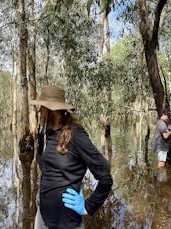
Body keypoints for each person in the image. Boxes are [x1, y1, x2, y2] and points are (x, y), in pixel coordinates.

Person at [31, 85, 113, 229]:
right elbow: (47, 168)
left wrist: (88, 206)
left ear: (52, 109)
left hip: (67, 223)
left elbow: (105, 176)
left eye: (42, 107)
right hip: (43, 218)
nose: (39, 111)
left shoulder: (76, 135)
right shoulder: (44, 133)